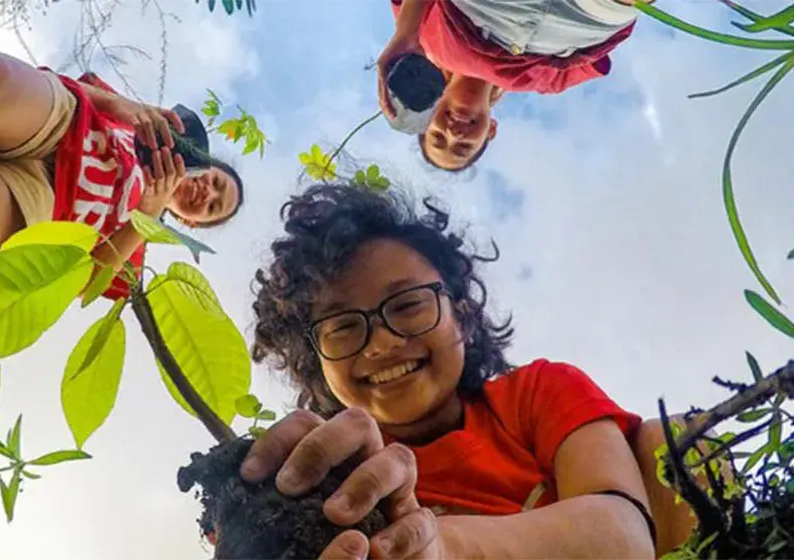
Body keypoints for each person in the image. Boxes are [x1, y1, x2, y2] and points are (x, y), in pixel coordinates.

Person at [244, 184, 702, 558]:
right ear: (316, 363)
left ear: (461, 316)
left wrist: (444, 546)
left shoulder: (537, 392)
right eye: (342, 326)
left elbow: (622, 537)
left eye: (408, 305)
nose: (382, 343)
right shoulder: (330, 477)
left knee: (677, 442)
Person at [0, 10, 244, 299]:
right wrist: (122, 105)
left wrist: (143, 216)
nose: (206, 193)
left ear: (190, 224)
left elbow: (82, 284)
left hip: (44, 208)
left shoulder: (134, 259)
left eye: (212, 207)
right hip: (60, 124)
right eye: (215, 183)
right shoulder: (136, 122)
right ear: (201, 164)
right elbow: (68, 85)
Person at [377, 0, 642, 172]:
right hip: (586, 12)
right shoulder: (544, 84)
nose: (454, 135)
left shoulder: (425, 40)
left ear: (430, 112)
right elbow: (596, 58)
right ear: (490, 131)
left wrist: (406, 32)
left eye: (438, 138)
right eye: (463, 148)